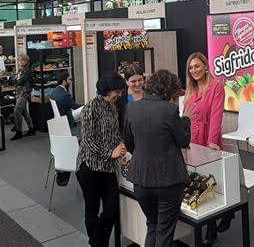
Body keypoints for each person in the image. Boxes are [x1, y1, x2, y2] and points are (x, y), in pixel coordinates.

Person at [124, 69, 191, 247]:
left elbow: (129, 144)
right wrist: (186, 120)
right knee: (164, 232)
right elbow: (184, 141)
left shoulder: (131, 108)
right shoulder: (169, 110)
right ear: (170, 90)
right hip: (168, 180)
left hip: (140, 180)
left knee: (152, 225)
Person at [76, 71, 127, 247]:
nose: (119, 96)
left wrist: (121, 144)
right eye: (117, 92)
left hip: (108, 169)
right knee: (92, 211)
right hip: (89, 167)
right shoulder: (90, 107)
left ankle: (96, 243)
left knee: (111, 210)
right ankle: (100, 244)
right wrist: (109, 153)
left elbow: (115, 132)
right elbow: (87, 139)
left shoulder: (112, 108)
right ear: (107, 90)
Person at [184, 52, 226, 242]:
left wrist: (212, 144)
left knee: (210, 183)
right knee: (196, 183)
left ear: (206, 66)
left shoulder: (216, 87)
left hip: (209, 139)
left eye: (197, 66)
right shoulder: (190, 89)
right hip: (192, 140)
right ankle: (208, 223)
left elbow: (216, 117)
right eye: (191, 68)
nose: (194, 70)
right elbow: (185, 117)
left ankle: (211, 229)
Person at [11, 53, 35, 140]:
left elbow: (20, 80)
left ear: (26, 61)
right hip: (19, 93)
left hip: (25, 93)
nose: (20, 62)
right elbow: (15, 79)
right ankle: (32, 129)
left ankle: (19, 131)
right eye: (19, 60)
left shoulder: (28, 71)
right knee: (24, 112)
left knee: (17, 111)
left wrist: (15, 81)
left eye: (22, 60)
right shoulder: (21, 70)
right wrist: (15, 80)